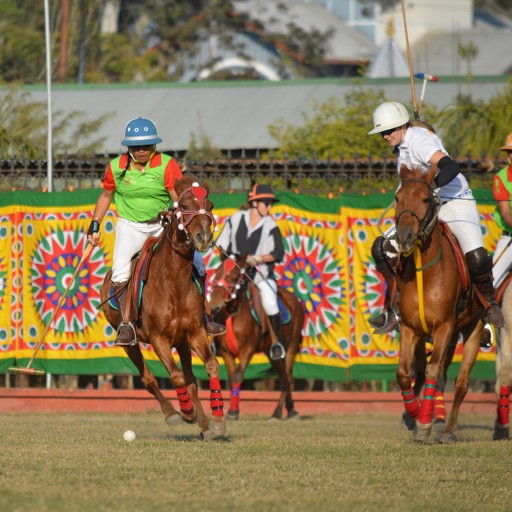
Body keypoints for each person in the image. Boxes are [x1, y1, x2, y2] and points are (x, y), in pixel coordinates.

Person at [367, 101, 504, 334]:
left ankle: (488, 307)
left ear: (402, 127)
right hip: (425, 208)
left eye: (388, 131)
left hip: (454, 201)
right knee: (382, 250)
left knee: (477, 256)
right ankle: (392, 310)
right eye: (382, 132)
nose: (384, 136)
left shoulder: (420, 141)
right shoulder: (401, 151)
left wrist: (430, 188)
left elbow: (450, 167)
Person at [87, 117, 225, 346]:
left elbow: (178, 198)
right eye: (137, 147)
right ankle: (127, 324)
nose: (142, 151)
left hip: (161, 226)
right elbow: (106, 196)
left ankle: (205, 317)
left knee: (199, 263)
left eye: (147, 146)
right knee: (120, 272)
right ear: (128, 147)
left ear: (154, 146)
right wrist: (95, 223)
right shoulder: (116, 167)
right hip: (130, 226)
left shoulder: (166, 164)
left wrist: (175, 214)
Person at [215, 184, 287, 360]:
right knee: (214, 293)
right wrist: (232, 259)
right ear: (254, 203)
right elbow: (222, 244)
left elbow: (279, 253)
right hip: (234, 273)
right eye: (266, 203)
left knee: (270, 301)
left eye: (270, 203)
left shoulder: (271, 225)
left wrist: (258, 258)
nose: (269, 207)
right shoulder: (235, 219)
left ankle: (277, 343)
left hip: (260, 275)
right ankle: (212, 341)